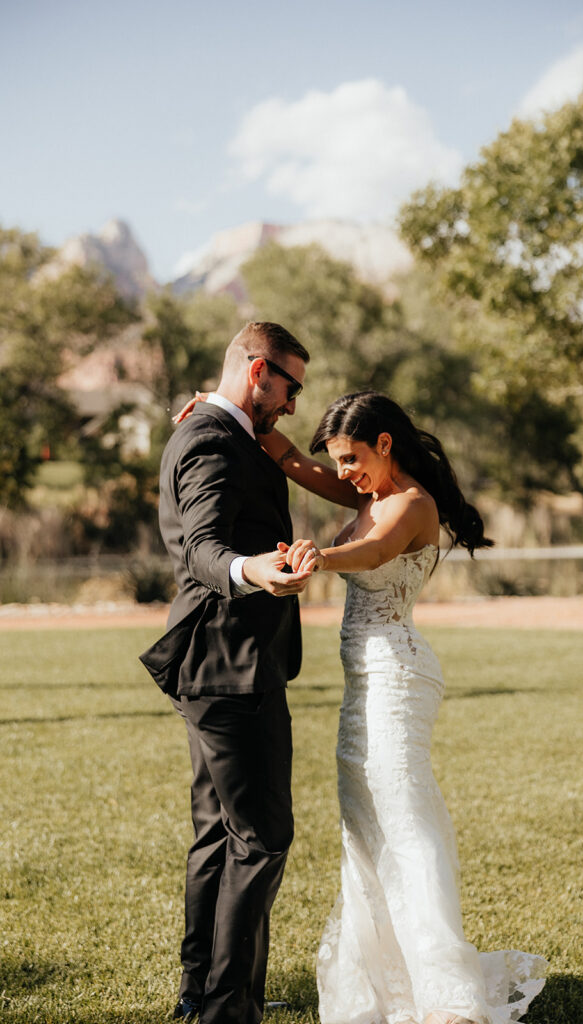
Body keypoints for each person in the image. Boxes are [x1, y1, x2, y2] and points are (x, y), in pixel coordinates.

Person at [172, 388, 548, 1023]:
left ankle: (447, 993)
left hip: (397, 676)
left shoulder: (412, 505)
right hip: (363, 685)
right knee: (363, 825)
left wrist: (319, 557)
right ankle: (382, 982)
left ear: (385, 444)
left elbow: (374, 553)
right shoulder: (369, 493)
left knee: (405, 820)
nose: (343, 474)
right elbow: (293, 459)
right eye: (340, 463)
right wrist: (219, 405)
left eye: (351, 459)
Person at [139, 322, 315, 1024]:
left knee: (219, 834)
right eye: (290, 386)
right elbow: (204, 550)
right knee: (263, 836)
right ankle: (226, 1008)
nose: (294, 404)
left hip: (214, 663)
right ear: (257, 370)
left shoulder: (218, 428)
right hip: (230, 666)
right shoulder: (211, 439)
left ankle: (202, 993)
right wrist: (257, 570)